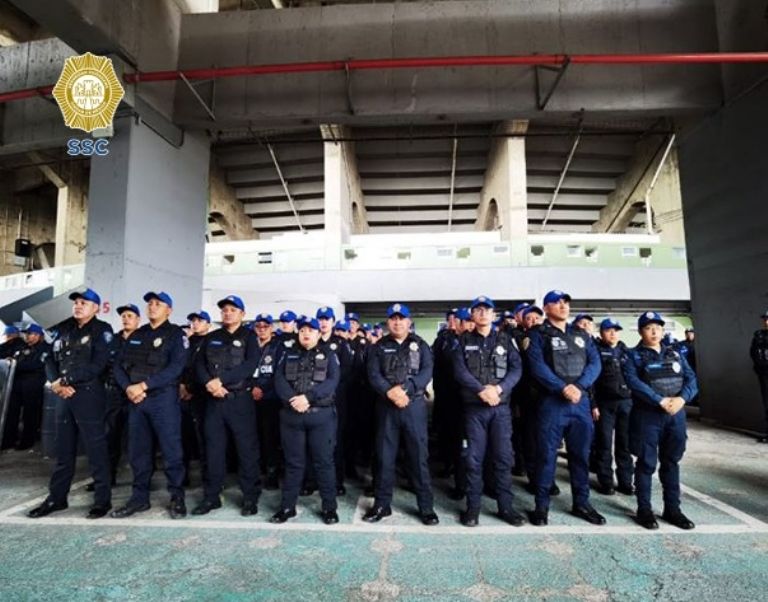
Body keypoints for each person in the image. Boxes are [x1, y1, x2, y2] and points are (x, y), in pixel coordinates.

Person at [27, 288, 113, 519]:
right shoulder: (63, 329)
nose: (78, 305)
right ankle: (57, 498)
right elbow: (48, 358)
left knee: (96, 451)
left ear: (95, 307)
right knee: (63, 451)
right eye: (76, 302)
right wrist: (55, 382)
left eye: (84, 302)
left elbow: (99, 364)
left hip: (89, 395)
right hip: (64, 396)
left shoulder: (102, 330)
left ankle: (102, 501)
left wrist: (66, 380)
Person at [526, 290, 605, 526]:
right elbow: (536, 366)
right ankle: (541, 507)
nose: (563, 306)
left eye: (566, 302)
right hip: (551, 404)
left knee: (580, 456)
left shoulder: (581, 334)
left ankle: (581, 503)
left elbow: (595, 363)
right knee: (546, 456)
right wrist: (562, 388)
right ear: (546, 307)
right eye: (557, 303)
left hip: (579, 403)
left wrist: (579, 387)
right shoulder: (537, 334)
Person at [111, 291, 188, 519]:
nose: (152, 307)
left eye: (158, 303)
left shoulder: (175, 335)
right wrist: (129, 388)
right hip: (136, 401)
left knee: (171, 451)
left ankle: (177, 497)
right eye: (150, 303)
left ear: (169, 310)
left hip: (162, 400)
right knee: (138, 452)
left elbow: (176, 368)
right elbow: (118, 366)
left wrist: (143, 386)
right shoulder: (138, 334)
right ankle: (139, 499)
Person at [451, 295, 525, 527]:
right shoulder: (462, 341)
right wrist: (481, 390)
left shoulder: (505, 339)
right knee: (473, 460)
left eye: (487, 310)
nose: (483, 313)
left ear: (493, 315)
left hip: (501, 410)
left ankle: (506, 508)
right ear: (472, 315)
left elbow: (516, 369)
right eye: (478, 310)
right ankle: (472, 509)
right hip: (475, 410)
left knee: (503, 458)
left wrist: (499, 389)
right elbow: (459, 370)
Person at [622, 311, 698, 530]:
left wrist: (683, 399)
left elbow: (692, 379)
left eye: (658, 327)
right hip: (648, 416)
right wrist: (660, 401)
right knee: (646, 464)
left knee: (671, 462)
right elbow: (634, 382)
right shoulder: (632, 356)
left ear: (663, 330)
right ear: (640, 331)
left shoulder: (675, 354)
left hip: (675, 416)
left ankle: (672, 509)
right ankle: (644, 510)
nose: (654, 331)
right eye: (648, 327)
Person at [364, 303, 438, 526]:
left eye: (401, 318)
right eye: (393, 318)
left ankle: (426, 508)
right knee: (384, 458)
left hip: (413, 407)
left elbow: (426, 372)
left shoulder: (421, 345)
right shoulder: (378, 347)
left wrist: (406, 390)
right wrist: (390, 391)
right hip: (387, 408)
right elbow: (373, 374)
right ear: (388, 322)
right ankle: (381, 505)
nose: (397, 322)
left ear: (408, 322)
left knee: (418, 458)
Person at [192, 295, 261, 516]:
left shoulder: (250, 337)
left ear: (242, 313)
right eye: (224, 310)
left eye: (232, 309)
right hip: (214, 401)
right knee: (213, 451)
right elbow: (200, 365)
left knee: (246, 451)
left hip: (239, 400)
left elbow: (249, 366)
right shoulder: (211, 337)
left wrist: (221, 381)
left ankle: (250, 497)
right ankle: (211, 497)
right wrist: (209, 384)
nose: (227, 313)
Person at [271, 317, 340, 524]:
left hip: (321, 416)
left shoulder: (329, 354)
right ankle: (287, 507)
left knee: (324, 463)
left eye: (311, 331)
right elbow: (279, 379)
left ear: (319, 334)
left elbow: (332, 381)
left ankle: (329, 508)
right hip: (292, 416)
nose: (306, 334)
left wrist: (307, 398)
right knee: (293, 463)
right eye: (302, 331)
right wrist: (293, 400)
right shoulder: (287, 353)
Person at [592, 318, 634, 496]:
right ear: (601, 333)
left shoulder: (627, 352)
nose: (613, 333)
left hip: (626, 403)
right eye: (609, 330)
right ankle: (606, 482)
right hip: (604, 404)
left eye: (616, 330)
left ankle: (626, 482)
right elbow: (591, 382)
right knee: (604, 444)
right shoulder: (595, 352)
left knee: (624, 445)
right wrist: (593, 404)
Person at [2, 324, 50, 451]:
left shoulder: (44, 349)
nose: (27, 336)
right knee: (11, 413)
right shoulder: (23, 348)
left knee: (30, 415)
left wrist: (15, 364)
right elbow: (16, 360)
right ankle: (8, 440)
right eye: (26, 334)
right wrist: (11, 361)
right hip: (18, 384)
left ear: (38, 335)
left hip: (33, 385)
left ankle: (26, 442)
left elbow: (35, 365)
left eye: (30, 334)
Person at [180, 309, 212, 484]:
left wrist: (192, 388)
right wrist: (182, 385)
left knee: (205, 438)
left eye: (200, 320)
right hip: (183, 395)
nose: (196, 323)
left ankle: (208, 476)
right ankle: (183, 476)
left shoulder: (213, 342)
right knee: (183, 437)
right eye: (193, 320)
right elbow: (179, 366)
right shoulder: (185, 343)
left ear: (208, 323)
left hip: (203, 396)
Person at [251, 313, 281, 488]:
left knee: (270, 437)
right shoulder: (250, 345)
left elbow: (278, 372)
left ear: (271, 328)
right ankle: (257, 470)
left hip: (270, 398)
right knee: (254, 436)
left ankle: (272, 473)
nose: (262, 330)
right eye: (259, 327)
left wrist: (262, 388)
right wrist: (252, 387)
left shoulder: (277, 347)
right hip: (250, 397)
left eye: (265, 327)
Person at [751, 310, 768, 443]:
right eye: (765, 319)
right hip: (764, 374)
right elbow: (753, 353)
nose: (766, 322)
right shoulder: (759, 335)